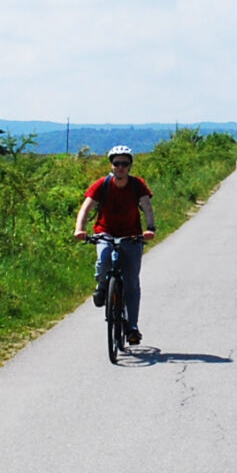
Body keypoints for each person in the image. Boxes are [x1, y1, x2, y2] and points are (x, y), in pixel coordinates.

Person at [74, 145, 156, 344]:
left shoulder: (137, 185)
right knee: (103, 260)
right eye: (116, 163)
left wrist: (150, 229)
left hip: (132, 236)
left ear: (130, 166)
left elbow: (147, 207)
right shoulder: (102, 184)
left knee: (131, 283)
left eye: (124, 164)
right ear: (111, 165)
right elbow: (86, 207)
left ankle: (132, 328)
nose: (120, 167)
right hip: (105, 232)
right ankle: (102, 287)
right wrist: (79, 229)